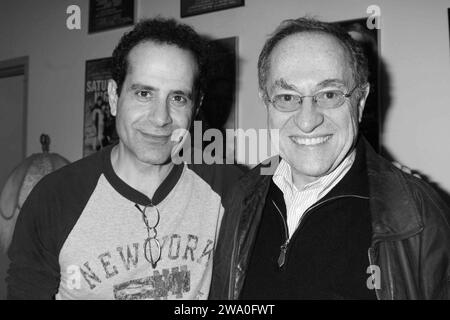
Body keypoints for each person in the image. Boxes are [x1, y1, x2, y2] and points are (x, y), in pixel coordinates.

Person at [210, 17, 450, 300]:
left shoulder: (418, 214)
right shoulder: (240, 197)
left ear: (360, 102)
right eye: (287, 97)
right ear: (267, 102)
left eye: (329, 94)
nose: (308, 120)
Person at [7, 18, 241, 300]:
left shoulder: (227, 186)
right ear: (114, 96)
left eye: (178, 98)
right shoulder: (54, 199)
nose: (160, 118)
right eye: (144, 94)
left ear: (196, 106)